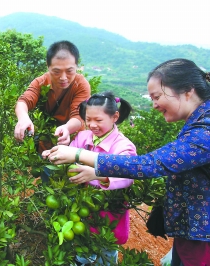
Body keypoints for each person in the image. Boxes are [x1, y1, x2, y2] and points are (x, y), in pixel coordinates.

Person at [43, 59, 210, 266]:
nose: (154, 104)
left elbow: (147, 165)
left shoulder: (205, 130)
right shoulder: (197, 124)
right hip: (193, 233)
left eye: (157, 97)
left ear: (187, 91)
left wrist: (78, 155)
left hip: (202, 237)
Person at [68, 92, 136, 265]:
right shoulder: (83, 137)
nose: (92, 125)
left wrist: (98, 174)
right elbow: (69, 155)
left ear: (115, 117)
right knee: (81, 248)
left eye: (98, 120)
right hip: (83, 208)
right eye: (88, 119)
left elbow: (128, 175)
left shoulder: (123, 145)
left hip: (108, 213)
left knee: (104, 253)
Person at [14, 40, 91, 149]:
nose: (63, 77)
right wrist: (23, 118)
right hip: (45, 142)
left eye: (69, 71)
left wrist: (67, 128)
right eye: (56, 71)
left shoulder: (81, 85)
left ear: (76, 66)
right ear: (48, 66)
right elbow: (24, 101)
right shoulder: (41, 82)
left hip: (73, 143)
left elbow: (78, 116)